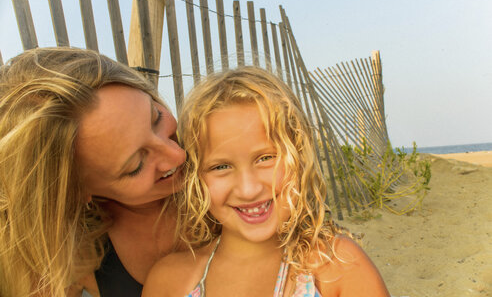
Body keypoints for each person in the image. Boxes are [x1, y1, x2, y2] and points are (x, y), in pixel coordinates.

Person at [142, 67, 390, 297]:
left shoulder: (338, 267)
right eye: (221, 167)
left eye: (265, 158)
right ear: (196, 178)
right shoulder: (169, 282)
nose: (248, 190)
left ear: (299, 157)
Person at [0, 47, 186, 297]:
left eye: (156, 118)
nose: (178, 154)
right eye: (135, 166)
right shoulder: (68, 262)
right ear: (76, 192)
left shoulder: (235, 166)